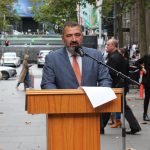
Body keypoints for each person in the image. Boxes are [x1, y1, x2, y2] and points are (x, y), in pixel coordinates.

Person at [41, 21, 112, 134]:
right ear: (63, 38)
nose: (74, 39)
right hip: (62, 117)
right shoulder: (52, 58)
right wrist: (64, 102)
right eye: (69, 35)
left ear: (82, 37)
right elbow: (47, 84)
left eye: (77, 35)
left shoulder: (95, 55)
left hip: (91, 116)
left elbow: (105, 80)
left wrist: (101, 97)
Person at [105, 38, 141, 134]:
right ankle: (135, 126)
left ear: (113, 46)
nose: (106, 46)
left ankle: (100, 126)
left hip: (116, 87)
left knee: (109, 106)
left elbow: (109, 73)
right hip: (121, 86)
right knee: (121, 107)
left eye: (108, 45)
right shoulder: (120, 56)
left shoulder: (113, 58)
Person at [135, 50, 150, 121]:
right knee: (147, 98)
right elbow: (137, 62)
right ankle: (145, 114)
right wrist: (142, 68)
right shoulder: (147, 57)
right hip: (148, 80)